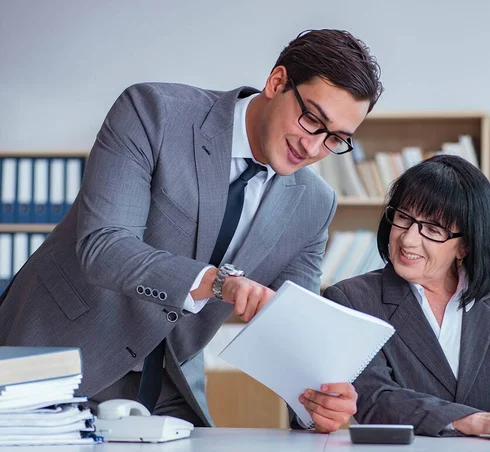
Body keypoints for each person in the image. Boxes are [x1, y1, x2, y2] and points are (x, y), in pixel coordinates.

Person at [0, 29, 383, 433]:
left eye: (335, 138)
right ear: (277, 82)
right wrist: (217, 284)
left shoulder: (313, 202)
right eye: (312, 120)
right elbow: (104, 246)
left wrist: (319, 403)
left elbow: (293, 329)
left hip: (169, 386)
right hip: (61, 353)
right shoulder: (154, 112)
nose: (313, 148)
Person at [320, 154, 490, 436]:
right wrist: (470, 420)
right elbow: (374, 397)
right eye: (403, 217)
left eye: (432, 229)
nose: (408, 238)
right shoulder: (351, 300)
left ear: (465, 246)